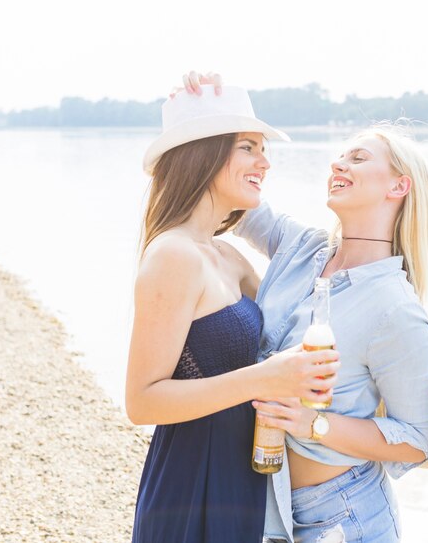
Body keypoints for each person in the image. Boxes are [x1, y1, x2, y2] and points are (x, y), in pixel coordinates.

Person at [180, 73, 428, 543]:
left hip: (343, 516)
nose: (338, 163)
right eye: (340, 155)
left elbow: (416, 441)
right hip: (264, 500)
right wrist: (203, 114)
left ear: (398, 186)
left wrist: (310, 422)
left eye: (357, 158)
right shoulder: (302, 247)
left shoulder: (395, 308)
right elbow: (224, 188)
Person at [125, 80, 340, 543]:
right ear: (203, 153)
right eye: (248, 147)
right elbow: (141, 402)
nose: (265, 162)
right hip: (192, 481)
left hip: (244, 474)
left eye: (264, 149)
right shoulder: (173, 256)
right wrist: (264, 379)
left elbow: (296, 322)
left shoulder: (228, 256)